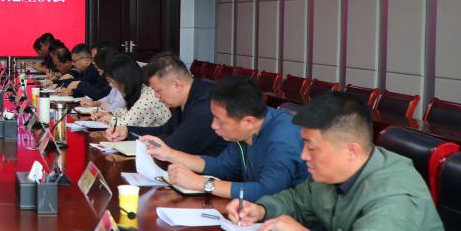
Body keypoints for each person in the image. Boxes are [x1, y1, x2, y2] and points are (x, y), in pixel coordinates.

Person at [226, 93, 461, 231]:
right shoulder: (332, 173)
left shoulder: (396, 190)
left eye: (311, 147)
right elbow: (297, 200)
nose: (303, 155)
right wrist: (261, 209)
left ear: (351, 151)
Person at [145, 76, 308, 200]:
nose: (213, 125)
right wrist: (169, 153)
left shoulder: (282, 138)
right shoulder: (245, 131)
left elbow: (267, 191)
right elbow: (222, 166)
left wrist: (201, 183)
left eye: (220, 121)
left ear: (249, 122)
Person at [105, 52, 226, 156]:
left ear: (176, 85)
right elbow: (165, 130)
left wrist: (142, 139)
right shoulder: (186, 96)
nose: (156, 96)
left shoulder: (206, 105)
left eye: (158, 91)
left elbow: (173, 145)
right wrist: (127, 131)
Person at [96, 54, 171, 128]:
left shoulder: (148, 98)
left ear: (125, 80)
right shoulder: (141, 91)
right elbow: (129, 112)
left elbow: (126, 125)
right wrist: (110, 114)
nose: (112, 86)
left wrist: (109, 118)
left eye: (113, 82)